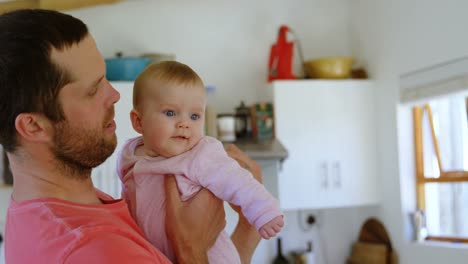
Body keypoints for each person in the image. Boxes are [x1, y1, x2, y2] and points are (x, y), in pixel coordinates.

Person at [0, 9, 261, 264]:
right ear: (33, 126)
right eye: (93, 90)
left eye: (105, 79)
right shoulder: (99, 251)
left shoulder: (43, 210)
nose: (114, 95)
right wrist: (191, 249)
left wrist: (248, 230)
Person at [117, 61, 284, 263]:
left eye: (194, 116)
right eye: (170, 113)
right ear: (138, 121)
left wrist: (264, 211)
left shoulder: (201, 153)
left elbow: (238, 181)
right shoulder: (129, 154)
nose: (184, 123)